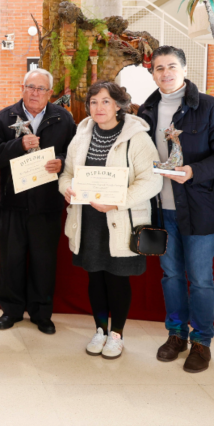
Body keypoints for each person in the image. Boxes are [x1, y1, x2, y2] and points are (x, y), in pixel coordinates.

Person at [137, 46, 214, 373]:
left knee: (200, 278)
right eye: (158, 68)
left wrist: (193, 171)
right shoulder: (147, 109)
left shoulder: (210, 107)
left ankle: (202, 342)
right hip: (161, 209)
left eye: (171, 67)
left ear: (184, 69)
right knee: (171, 276)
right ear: (151, 73)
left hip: (200, 209)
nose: (164, 73)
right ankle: (176, 334)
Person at [58, 81, 162, 359]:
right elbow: (67, 173)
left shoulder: (137, 137)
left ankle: (116, 334)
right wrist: (66, 188)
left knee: (117, 280)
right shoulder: (81, 135)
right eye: (93, 102)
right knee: (95, 278)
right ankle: (100, 329)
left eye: (105, 102)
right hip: (88, 219)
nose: (98, 107)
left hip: (122, 219)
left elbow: (152, 181)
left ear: (118, 105)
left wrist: (117, 201)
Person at [0, 68, 76, 334]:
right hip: (13, 203)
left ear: (49, 93)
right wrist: (18, 146)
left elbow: (75, 153)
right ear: (22, 88)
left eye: (41, 89)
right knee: (11, 261)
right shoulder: (4, 118)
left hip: (47, 204)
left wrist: (62, 162)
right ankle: (10, 311)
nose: (35, 93)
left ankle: (41, 313)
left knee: (43, 261)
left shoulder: (64, 118)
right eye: (30, 87)